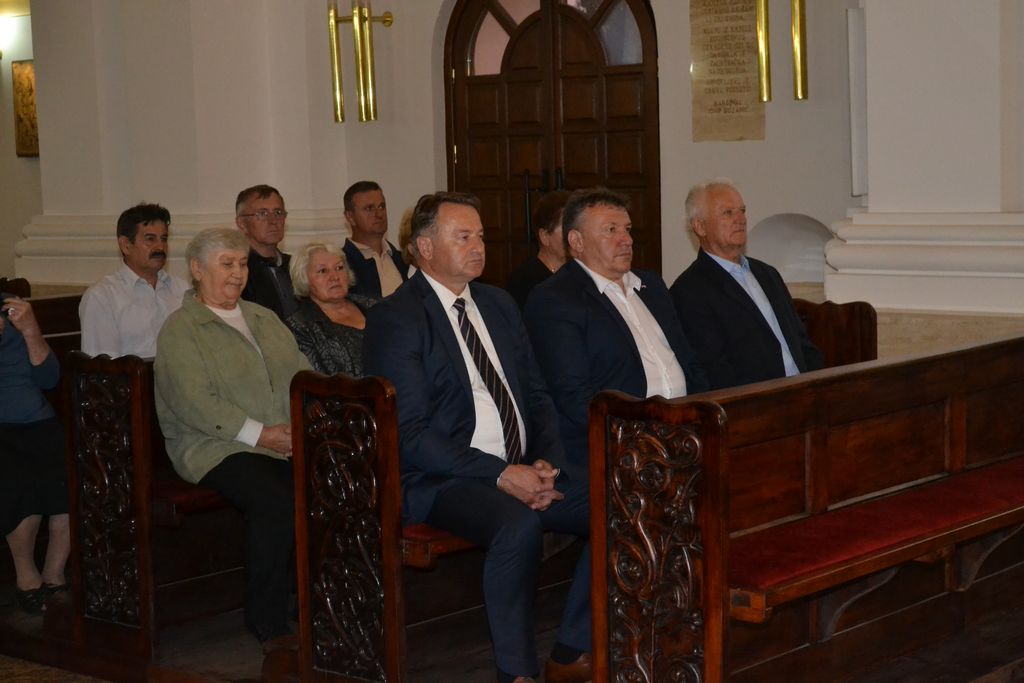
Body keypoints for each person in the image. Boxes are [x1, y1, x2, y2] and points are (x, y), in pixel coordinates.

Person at [363, 192, 592, 683]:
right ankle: (516, 673)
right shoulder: (398, 317)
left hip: (520, 465)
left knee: (622, 502)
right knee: (517, 525)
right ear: (425, 247)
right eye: (463, 236)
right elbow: (410, 435)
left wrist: (547, 463)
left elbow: (537, 395)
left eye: (481, 236)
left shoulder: (498, 302)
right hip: (443, 478)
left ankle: (573, 647)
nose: (478, 246)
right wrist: (502, 474)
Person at [154, 227, 310, 648]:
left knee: (326, 484)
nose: (238, 273)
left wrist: (304, 426)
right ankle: (268, 618)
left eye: (242, 264)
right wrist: (262, 436)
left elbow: (301, 373)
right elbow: (194, 402)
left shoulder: (263, 318)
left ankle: (313, 599)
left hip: (280, 439)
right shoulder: (181, 329)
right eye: (227, 264)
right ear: (197, 269)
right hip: (212, 446)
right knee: (275, 498)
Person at [524, 187, 708, 467]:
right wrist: (646, 445)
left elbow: (689, 361)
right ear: (577, 241)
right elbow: (574, 397)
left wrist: (704, 418)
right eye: (611, 230)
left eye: (627, 229)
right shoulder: (556, 298)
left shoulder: (651, 286)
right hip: (620, 451)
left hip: (684, 438)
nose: (626, 240)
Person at [670, 179, 823, 390]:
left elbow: (802, 342)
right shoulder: (689, 291)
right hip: (757, 401)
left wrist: (820, 385)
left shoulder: (767, 274)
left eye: (742, 211)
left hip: (804, 392)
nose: (740, 219)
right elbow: (714, 370)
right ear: (700, 226)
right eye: (727, 213)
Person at [0, 294, 70, 615]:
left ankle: (54, 573)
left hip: (38, 420)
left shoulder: (12, 307)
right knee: (21, 481)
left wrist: (30, 329)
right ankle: (26, 577)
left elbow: (49, 379)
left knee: (72, 476)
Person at [79, 203, 189, 357]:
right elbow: (103, 366)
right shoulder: (103, 297)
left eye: (164, 239)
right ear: (125, 245)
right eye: (150, 239)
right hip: (135, 373)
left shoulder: (182, 289)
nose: (160, 247)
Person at [285, 241, 378, 377]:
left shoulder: (374, 306)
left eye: (339, 268)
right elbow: (317, 380)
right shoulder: (299, 327)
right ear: (304, 278)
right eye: (323, 271)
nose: (335, 277)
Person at [236, 184, 300, 320]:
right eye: (262, 214)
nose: (273, 221)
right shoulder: (237, 272)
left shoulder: (297, 266)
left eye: (278, 212)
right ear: (242, 224)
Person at [342, 180, 409, 297]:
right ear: (350, 217)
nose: (379, 214)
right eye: (369, 208)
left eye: (382, 206)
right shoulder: (341, 265)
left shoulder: (403, 260)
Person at [506, 191, 571, 309]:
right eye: (567, 229)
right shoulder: (525, 282)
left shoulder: (578, 271)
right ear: (544, 236)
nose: (574, 236)